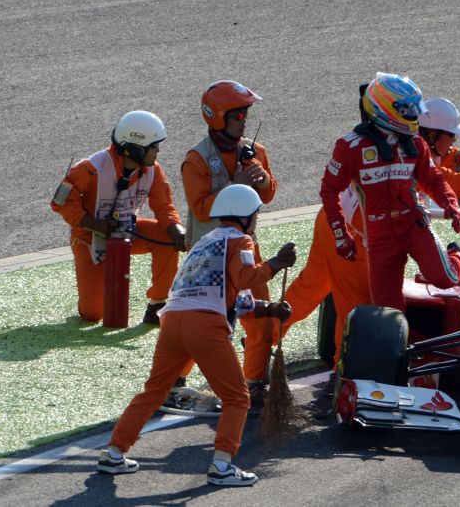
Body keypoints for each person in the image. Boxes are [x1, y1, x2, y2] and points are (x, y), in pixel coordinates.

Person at [275, 96, 460, 379]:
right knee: (361, 311)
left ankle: (262, 339)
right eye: (450, 137)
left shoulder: (408, 142)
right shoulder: (412, 150)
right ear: (430, 133)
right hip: (359, 237)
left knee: (307, 291)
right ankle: (347, 376)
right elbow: (457, 182)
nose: (453, 145)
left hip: (335, 224)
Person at [96, 184, 295, 486]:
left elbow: (221, 292)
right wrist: (276, 265)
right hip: (204, 325)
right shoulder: (241, 240)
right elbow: (243, 278)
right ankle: (223, 465)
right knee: (237, 398)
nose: (257, 219)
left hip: (173, 322)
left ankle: (113, 453)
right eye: (256, 213)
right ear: (246, 216)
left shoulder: (206, 241)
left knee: (154, 392)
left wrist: (268, 308)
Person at [319, 73, 460, 313]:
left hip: (413, 223)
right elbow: (329, 190)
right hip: (379, 237)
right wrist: (340, 233)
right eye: (408, 110)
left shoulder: (415, 142)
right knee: (387, 309)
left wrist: (450, 202)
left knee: (445, 279)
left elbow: (433, 179)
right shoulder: (349, 146)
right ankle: (399, 349)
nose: (415, 116)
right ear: (385, 108)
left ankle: (459, 256)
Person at [180, 81, 278, 405]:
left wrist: (263, 179)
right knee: (207, 324)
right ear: (218, 117)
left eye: (246, 113)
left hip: (246, 250)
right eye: (237, 114)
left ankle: (254, 383)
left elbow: (269, 193)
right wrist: (233, 186)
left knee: (261, 321)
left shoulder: (255, 151)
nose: (244, 120)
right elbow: (200, 209)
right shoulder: (195, 160)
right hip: (209, 257)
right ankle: (175, 380)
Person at [51, 111, 187, 324]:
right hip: (89, 238)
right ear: (135, 148)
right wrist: (93, 224)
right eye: (154, 146)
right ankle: (88, 301)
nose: (158, 151)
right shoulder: (90, 168)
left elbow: (164, 206)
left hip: (127, 233)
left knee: (167, 237)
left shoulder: (153, 170)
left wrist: (176, 229)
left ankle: (158, 304)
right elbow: (60, 202)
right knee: (93, 315)